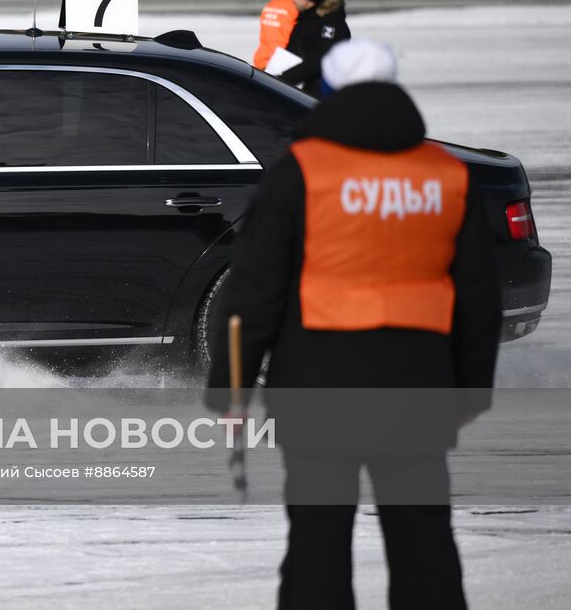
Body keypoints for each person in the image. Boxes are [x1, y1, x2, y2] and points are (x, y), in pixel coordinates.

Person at [208, 39, 501, 610]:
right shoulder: (445, 173)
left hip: (319, 387)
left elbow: (254, 288)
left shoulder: (302, 170)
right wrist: (469, 388)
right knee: (424, 542)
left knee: (318, 543)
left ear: (329, 95)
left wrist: (233, 387)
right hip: (417, 386)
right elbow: (478, 296)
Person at [277, 0, 349, 95]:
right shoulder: (306, 19)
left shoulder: (332, 22)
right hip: (302, 93)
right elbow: (292, 53)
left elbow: (319, 60)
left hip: (324, 99)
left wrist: (284, 79)